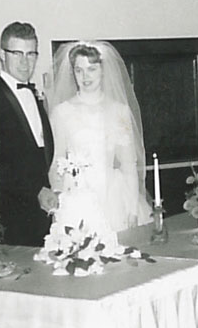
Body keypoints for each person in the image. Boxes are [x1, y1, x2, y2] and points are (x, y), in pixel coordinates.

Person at [47, 41, 152, 232]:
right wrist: (59, 202)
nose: (85, 76)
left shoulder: (119, 111)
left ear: (102, 70)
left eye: (92, 69)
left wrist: (132, 210)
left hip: (113, 197)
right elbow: (57, 161)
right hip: (76, 196)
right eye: (79, 70)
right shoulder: (62, 112)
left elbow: (128, 164)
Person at [0, 21, 55, 246]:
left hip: (42, 215)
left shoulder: (35, 96)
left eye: (31, 54)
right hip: (8, 218)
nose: (25, 62)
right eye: (17, 54)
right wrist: (37, 191)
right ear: (2, 55)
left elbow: (41, 153)